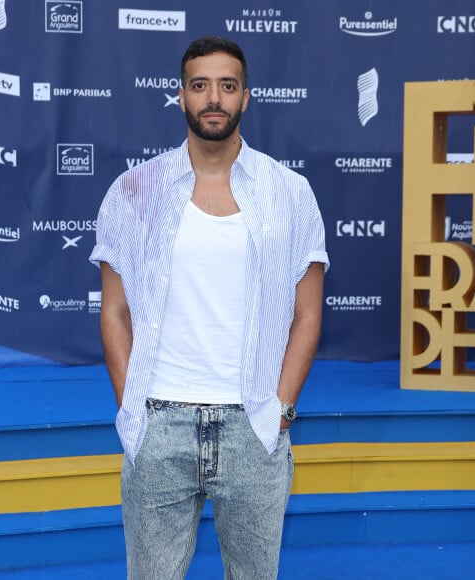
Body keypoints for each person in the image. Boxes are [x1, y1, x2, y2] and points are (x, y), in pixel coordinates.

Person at [90, 36, 329, 579]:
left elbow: (308, 315)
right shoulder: (133, 191)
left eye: (227, 85)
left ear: (246, 97)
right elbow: (114, 313)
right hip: (160, 426)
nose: (213, 98)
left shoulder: (290, 193)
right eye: (200, 86)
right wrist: (136, 415)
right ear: (181, 97)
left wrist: (281, 412)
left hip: (254, 429)